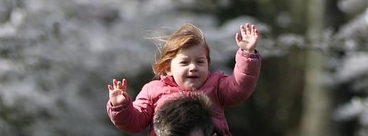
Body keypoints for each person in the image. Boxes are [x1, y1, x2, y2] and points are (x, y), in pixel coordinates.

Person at [107, 23, 260, 136]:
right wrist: (121, 106)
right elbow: (134, 123)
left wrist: (247, 53)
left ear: (208, 64)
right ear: (168, 67)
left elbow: (240, 87)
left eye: (200, 62)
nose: (193, 67)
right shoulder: (153, 90)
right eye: (184, 62)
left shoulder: (216, 84)